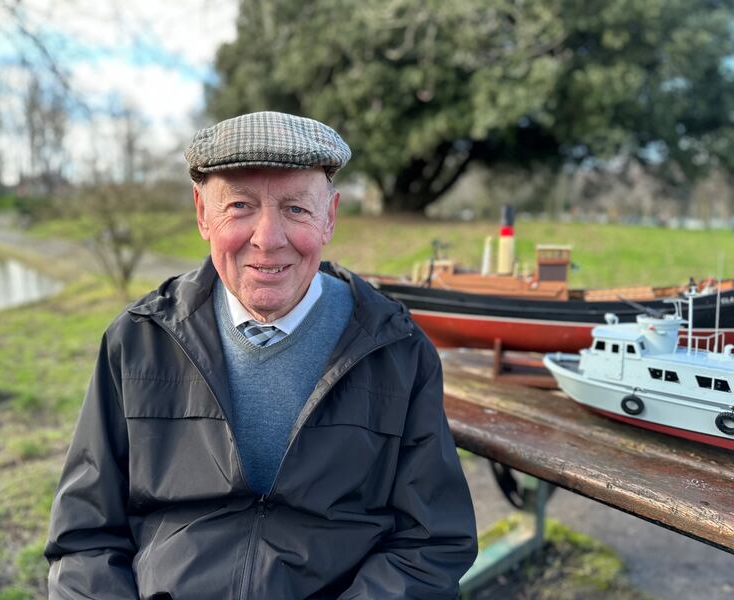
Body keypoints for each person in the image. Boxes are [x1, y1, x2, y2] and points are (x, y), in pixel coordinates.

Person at [45, 111, 477, 599]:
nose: (268, 239)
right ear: (202, 213)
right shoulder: (138, 342)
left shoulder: (398, 351)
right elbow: (84, 539)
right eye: (240, 206)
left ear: (330, 216)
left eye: (296, 209)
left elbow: (431, 543)